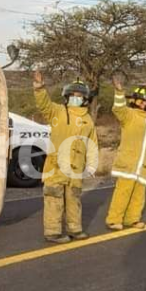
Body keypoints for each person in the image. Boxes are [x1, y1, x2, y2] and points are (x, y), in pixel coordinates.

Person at [33, 70, 99, 244]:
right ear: (67, 96)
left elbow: (92, 144)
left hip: (76, 169)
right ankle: (52, 232)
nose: (75, 98)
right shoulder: (58, 111)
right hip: (56, 166)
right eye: (72, 95)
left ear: (85, 98)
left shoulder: (88, 120)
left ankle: (74, 229)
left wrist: (91, 165)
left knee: (74, 199)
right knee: (54, 199)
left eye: (79, 96)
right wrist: (39, 88)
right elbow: (44, 105)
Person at [105, 79, 146, 231]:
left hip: (143, 165)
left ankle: (132, 219)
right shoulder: (130, 115)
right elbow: (118, 109)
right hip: (129, 163)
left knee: (138, 194)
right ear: (138, 102)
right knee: (123, 192)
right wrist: (119, 92)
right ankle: (113, 219)